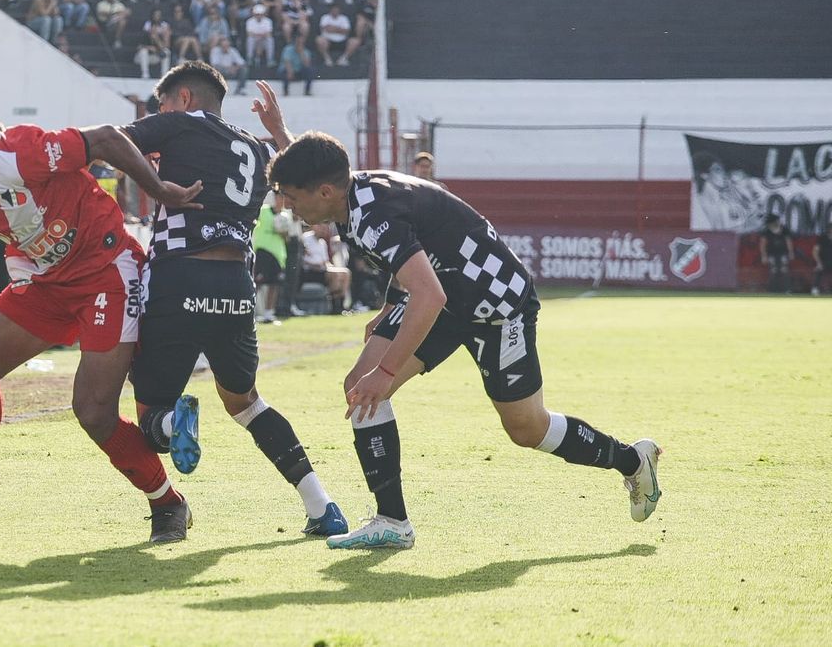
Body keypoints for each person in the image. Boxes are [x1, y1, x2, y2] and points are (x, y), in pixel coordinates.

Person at [267, 131, 663, 549]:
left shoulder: (368, 212)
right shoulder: (349, 192)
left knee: (527, 427)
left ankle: (632, 460)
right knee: (359, 387)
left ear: (325, 191)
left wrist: (386, 371)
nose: (288, 206)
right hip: (444, 297)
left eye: (291, 197)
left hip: (495, 305)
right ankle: (392, 521)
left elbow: (428, 293)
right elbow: (408, 255)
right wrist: (283, 137)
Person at [0, 108, 203, 541]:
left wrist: (159, 190)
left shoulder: (17, 154)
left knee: (93, 411)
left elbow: (108, 137)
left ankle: (169, 504)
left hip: (105, 274)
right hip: (46, 283)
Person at [120, 63, 347, 536]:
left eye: (161, 105)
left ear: (182, 98)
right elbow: (303, 175)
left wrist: (152, 182)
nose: (159, 114)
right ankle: (321, 506)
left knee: (150, 416)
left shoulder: (181, 123)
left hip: (180, 275)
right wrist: (281, 132)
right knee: (245, 403)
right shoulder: (253, 146)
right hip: (235, 289)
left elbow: (114, 142)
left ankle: (171, 426)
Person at [252, 192, 289, 323]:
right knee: (257, 282)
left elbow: (286, 238)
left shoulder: (285, 216)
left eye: (283, 198)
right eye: (279, 198)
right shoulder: (263, 211)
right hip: (263, 250)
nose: (281, 201)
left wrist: (282, 231)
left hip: (278, 253)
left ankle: (269, 313)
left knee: (274, 284)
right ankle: (252, 312)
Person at [301, 223, 350, 314]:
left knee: (345, 273)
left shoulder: (322, 242)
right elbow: (302, 259)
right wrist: (315, 265)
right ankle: (334, 306)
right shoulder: (305, 238)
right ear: (314, 226)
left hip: (322, 270)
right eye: (321, 226)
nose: (323, 229)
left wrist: (332, 267)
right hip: (310, 271)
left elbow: (325, 261)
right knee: (334, 275)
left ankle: (341, 305)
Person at [760, 214, 793, 293]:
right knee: (773, 271)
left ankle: (787, 290)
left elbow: (788, 242)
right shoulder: (766, 231)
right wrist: (764, 256)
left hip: (783, 253)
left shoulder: (784, 230)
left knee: (784, 270)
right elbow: (762, 244)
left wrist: (791, 252)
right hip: (771, 254)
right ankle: (772, 290)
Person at [813, 228, 832, 296]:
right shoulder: (822, 238)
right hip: (823, 262)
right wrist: (818, 263)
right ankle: (815, 289)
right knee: (818, 269)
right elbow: (815, 251)